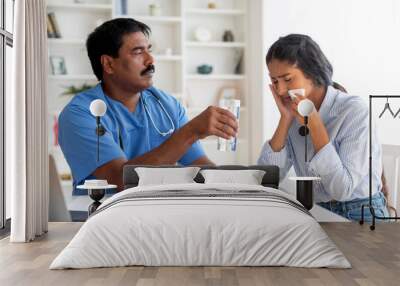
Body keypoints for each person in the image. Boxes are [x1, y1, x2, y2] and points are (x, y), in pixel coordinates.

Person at [58, 18, 238, 195]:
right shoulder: (81, 113)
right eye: (138, 52)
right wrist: (191, 132)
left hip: (158, 214)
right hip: (104, 218)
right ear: (109, 64)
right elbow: (119, 180)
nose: (150, 60)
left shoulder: (167, 105)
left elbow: (200, 167)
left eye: (149, 50)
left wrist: (235, 186)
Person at [257, 34, 389, 221]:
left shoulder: (354, 111)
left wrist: (316, 126)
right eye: (275, 81)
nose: (279, 90)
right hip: (318, 213)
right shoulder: (293, 113)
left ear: (311, 73)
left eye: (287, 79)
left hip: (362, 214)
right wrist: (285, 120)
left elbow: (343, 190)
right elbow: (264, 181)